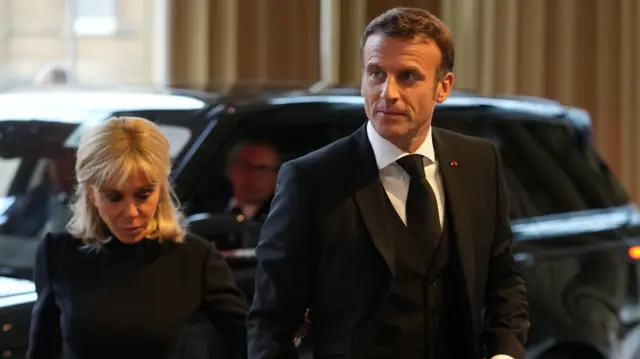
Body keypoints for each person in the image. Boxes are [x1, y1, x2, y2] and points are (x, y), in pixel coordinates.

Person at [247, 7, 529, 359]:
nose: (388, 92)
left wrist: (504, 353)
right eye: (376, 73)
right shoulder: (312, 180)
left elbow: (504, 281)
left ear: (443, 87)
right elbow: (272, 323)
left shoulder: (478, 162)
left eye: (408, 76)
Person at [27, 116, 249, 359]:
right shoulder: (58, 253)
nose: (131, 212)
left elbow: (247, 342)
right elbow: (42, 350)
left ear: (161, 190)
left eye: (143, 195)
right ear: (91, 195)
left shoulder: (195, 259)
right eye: (114, 197)